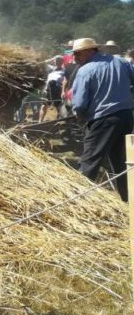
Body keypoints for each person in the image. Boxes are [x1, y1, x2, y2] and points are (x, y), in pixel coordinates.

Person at [71, 38, 134, 201]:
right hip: (125, 116)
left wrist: (80, 115)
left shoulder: (85, 70)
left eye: (77, 53)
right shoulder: (122, 62)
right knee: (122, 162)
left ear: (90, 50)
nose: (75, 57)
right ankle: (128, 200)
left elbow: (79, 104)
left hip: (102, 119)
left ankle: (78, 202)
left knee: (89, 161)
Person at [39, 56, 66, 122]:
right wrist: (52, 59)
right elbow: (41, 63)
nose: (57, 62)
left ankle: (60, 121)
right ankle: (40, 122)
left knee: (59, 107)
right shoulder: (51, 69)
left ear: (62, 62)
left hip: (57, 90)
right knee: (43, 106)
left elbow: (66, 80)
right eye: (56, 61)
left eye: (59, 61)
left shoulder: (64, 70)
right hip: (47, 90)